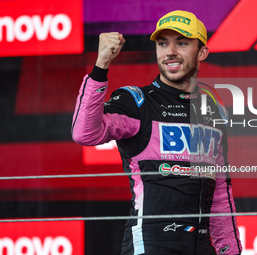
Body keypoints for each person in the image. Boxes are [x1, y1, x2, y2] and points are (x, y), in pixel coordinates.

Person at [72, 10, 242, 255]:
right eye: (163, 44)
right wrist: (101, 67)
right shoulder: (136, 101)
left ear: (202, 52)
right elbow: (85, 133)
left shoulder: (212, 110)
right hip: (149, 246)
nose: (170, 51)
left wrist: (231, 252)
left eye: (181, 43)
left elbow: (220, 194)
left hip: (201, 248)